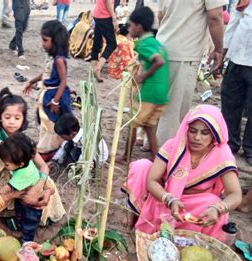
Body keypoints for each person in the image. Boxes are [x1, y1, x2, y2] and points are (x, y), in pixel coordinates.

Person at [123, 105, 242, 242]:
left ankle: (188, 239)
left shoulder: (221, 154)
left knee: (213, 202)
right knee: (142, 166)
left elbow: (235, 194)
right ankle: (139, 216)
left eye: (205, 133)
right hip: (162, 195)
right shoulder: (174, 145)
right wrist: (169, 199)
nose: (197, 137)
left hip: (193, 204)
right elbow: (152, 180)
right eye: (192, 131)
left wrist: (217, 208)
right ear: (186, 129)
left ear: (214, 134)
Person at [155, 0, 227, 146]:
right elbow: (215, 16)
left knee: (159, 105)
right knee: (174, 111)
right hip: (184, 52)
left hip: (162, 46)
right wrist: (219, 49)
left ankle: (151, 144)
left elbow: (161, 16)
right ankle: (164, 155)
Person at [0, 88, 66, 225]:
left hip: (24, 178)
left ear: (23, 119)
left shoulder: (24, 142)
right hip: (4, 179)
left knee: (47, 184)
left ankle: (37, 217)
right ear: (0, 117)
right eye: (7, 117)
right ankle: (3, 220)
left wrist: (39, 185)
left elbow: (43, 166)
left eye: (17, 118)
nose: (12, 122)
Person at [122, 6, 169, 161]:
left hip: (149, 93)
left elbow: (159, 61)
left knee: (132, 123)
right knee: (148, 127)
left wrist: (142, 76)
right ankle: (156, 158)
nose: (129, 28)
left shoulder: (144, 44)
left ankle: (126, 155)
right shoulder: (155, 42)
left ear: (139, 26)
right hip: (161, 94)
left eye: (131, 25)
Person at [24, 20, 72, 160]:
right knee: (45, 123)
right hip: (47, 94)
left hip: (54, 95)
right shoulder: (52, 58)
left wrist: (55, 101)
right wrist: (32, 81)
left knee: (51, 123)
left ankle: (49, 151)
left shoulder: (59, 60)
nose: (43, 44)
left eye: (45, 40)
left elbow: (63, 81)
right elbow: (46, 74)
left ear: (55, 41)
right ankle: (47, 148)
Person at [221, 0, 252, 165]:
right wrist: (223, 51)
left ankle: (250, 149)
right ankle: (229, 143)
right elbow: (234, 21)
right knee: (230, 103)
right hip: (237, 57)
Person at [0, 133, 45, 243]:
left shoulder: (22, 174)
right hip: (26, 196)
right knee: (20, 214)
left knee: (29, 224)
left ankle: (27, 242)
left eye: (7, 165)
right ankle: (21, 226)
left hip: (32, 205)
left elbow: (6, 189)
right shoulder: (25, 161)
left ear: (20, 164)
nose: (5, 165)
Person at [89, 0, 118, 82]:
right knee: (112, 44)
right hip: (105, 16)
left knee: (97, 42)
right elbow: (108, 2)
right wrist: (114, 18)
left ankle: (94, 68)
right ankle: (98, 68)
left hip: (97, 14)